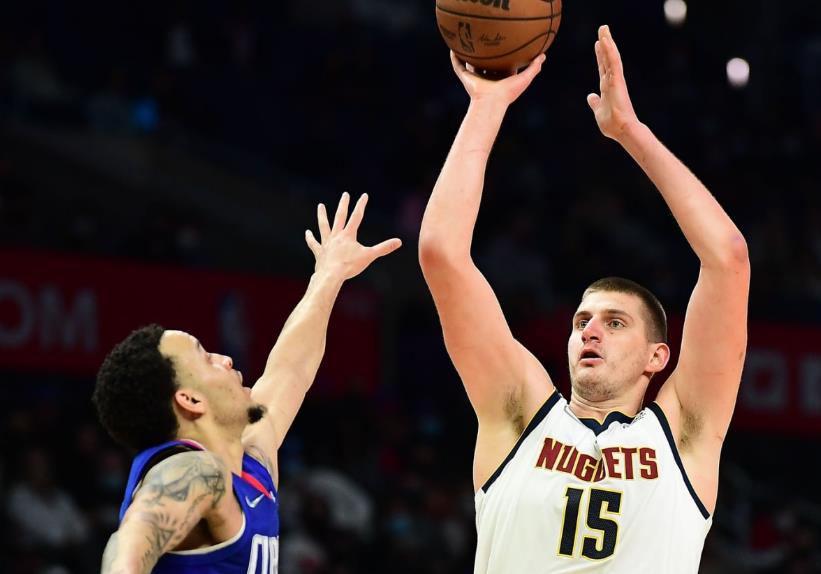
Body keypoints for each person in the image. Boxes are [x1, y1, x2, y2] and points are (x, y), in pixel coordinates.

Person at [418, 25, 750, 573]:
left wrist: (631, 133)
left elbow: (728, 259)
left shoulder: (684, 435)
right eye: (581, 321)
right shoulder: (519, 413)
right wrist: (487, 104)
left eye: (615, 323)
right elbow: (441, 253)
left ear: (657, 357)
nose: (590, 331)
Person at [93, 192, 401, 573]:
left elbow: (290, 370)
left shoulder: (251, 463)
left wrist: (329, 275)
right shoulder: (192, 471)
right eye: (205, 357)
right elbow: (132, 538)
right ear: (190, 399)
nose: (225, 359)